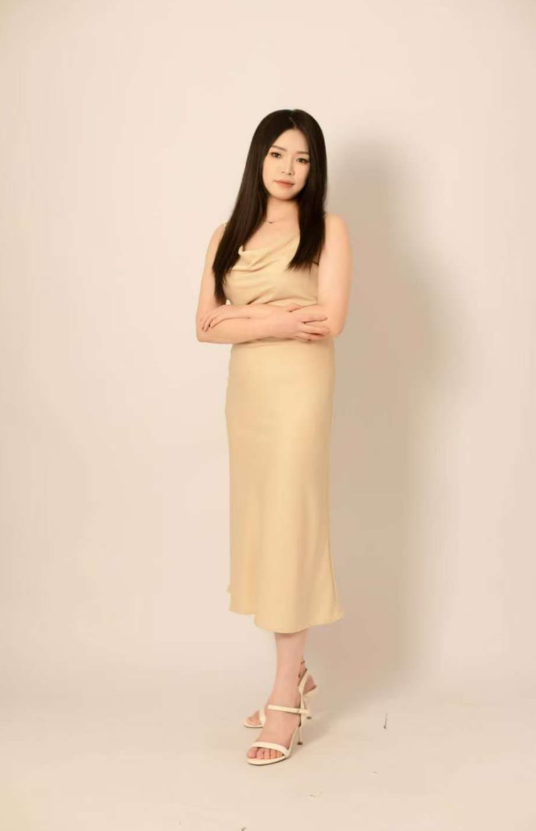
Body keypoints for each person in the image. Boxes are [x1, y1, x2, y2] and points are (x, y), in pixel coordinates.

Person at [195, 109, 352, 765]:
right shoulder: (226, 234)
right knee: (265, 523)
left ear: (315, 168)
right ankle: (298, 674)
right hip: (250, 396)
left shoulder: (328, 228)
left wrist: (246, 318)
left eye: (303, 158)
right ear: (258, 158)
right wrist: (276, 317)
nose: (289, 169)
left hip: (301, 391)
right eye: (278, 154)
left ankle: (285, 695)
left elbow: (328, 319)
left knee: (292, 523)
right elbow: (204, 325)